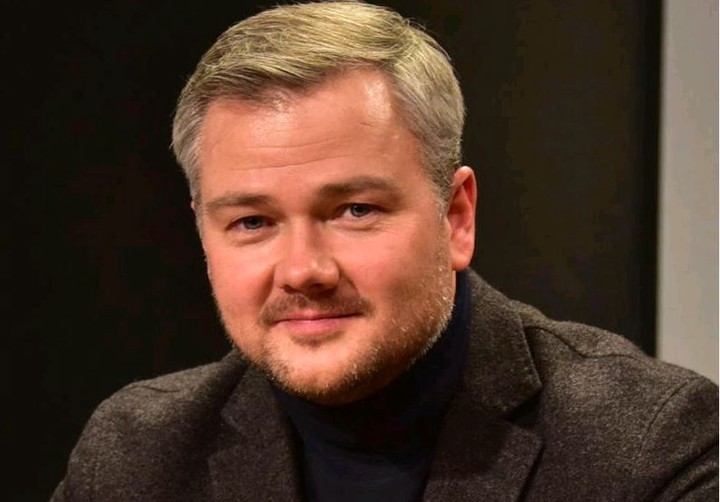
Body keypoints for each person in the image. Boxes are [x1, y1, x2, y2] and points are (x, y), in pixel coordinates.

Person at [52, 2, 718, 501]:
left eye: (355, 211)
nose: (304, 270)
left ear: (456, 217)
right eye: (253, 221)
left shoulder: (650, 446)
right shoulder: (137, 455)